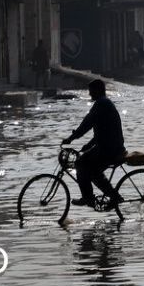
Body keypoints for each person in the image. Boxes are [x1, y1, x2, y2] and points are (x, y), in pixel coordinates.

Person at [61, 79, 126, 208]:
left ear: (97, 91)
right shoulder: (104, 103)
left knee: (80, 163)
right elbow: (101, 132)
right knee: (91, 169)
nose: (90, 94)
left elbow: (87, 124)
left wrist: (71, 138)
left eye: (91, 91)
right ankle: (111, 197)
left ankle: (90, 197)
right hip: (110, 146)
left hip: (110, 149)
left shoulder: (101, 104)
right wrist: (88, 145)